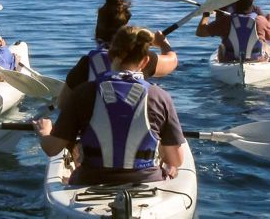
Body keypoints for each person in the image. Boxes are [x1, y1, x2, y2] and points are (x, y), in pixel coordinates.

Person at [34, 25, 186, 186]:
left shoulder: (83, 93)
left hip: (90, 181)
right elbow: (176, 160)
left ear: (111, 55)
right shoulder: (159, 96)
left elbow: (52, 149)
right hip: (147, 182)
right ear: (145, 61)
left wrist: (44, 133)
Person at [58, 0, 178, 108]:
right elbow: (172, 62)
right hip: (135, 126)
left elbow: (62, 104)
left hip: (96, 127)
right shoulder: (139, 58)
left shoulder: (85, 65)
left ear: (97, 32)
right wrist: (163, 44)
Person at [195, 0, 270, 62]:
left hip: (229, 60)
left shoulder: (226, 21)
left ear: (235, 3)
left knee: (221, 46)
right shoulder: (261, 20)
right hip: (256, 59)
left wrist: (206, 14)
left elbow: (200, 32)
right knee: (265, 45)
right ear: (252, 3)